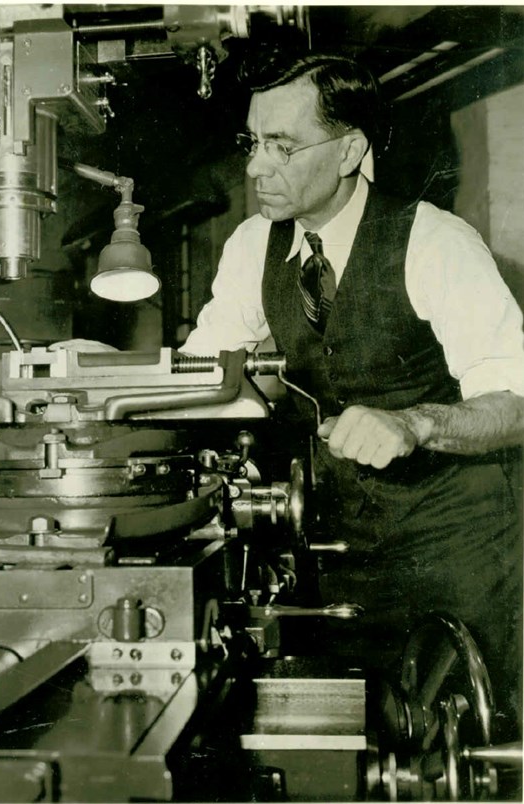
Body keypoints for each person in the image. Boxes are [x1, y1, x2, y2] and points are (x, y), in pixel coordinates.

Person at [181, 46, 524, 735]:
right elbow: (198, 381)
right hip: (339, 552)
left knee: (469, 741)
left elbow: (515, 403)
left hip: (456, 550)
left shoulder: (434, 241)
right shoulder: (254, 245)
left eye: (282, 146)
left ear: (348, 151)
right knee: (356, 744)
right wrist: (99, 382)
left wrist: (416, 424)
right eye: (254, 142)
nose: (254, 167)